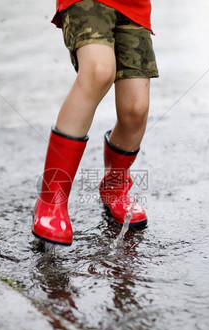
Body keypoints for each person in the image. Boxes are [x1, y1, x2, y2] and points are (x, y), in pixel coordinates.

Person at [32, 0, 158, 245]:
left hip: (134, 7)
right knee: (99, 71)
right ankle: (51, 199)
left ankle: (115, 187)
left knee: (136, 109)